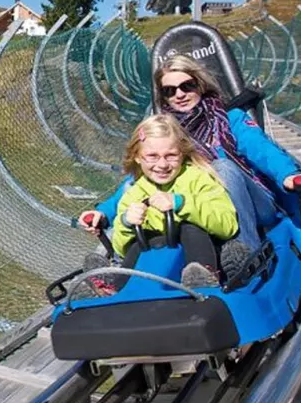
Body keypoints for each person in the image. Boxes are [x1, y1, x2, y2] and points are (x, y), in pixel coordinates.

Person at [153, 54, 301, 254]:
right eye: (170, 91)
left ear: (199, 85)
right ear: (163, 97)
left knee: (223, 167)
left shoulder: (230, 119)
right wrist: (106, 212)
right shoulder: (167, 133)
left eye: (187, 86)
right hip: (204, 206)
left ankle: (247, 251)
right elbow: (142, 172)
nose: (180, 94)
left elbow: (261, 149)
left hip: (254, 204)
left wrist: (288, 174)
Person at [76, 115, 238, 289]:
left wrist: (181, 204)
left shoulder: (199, 179)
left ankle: (203, 278)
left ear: (182, 154)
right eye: (152, 156)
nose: (162, 164)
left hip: (197, 252)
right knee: (138, 243)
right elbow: (121, 248)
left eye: (171, 156)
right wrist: (126, 223)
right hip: (155, 259)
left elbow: (228, 225)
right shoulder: (135, 192)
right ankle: (115, 288)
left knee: (189, 229)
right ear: (137, 157)